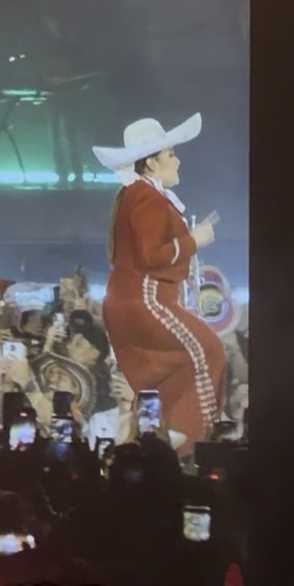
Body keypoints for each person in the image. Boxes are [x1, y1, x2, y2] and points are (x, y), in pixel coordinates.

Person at [97, 113, 226, 450]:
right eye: (171, 154)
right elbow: (152, 255)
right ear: (151, 163)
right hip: (145, 299)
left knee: (172, 366)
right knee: (207, 348)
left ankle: (162, 436)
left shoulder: (139, 195)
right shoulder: (145, 195)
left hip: (135, 300)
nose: (178, 160)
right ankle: (186, 437)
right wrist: (194, 240)